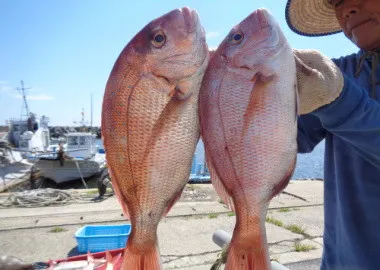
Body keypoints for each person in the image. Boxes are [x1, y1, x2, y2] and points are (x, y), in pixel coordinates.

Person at [285, 0, 380, 269]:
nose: (348, 8)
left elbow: (336, 100)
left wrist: (339, 102)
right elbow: (292, 136)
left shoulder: (337, 83)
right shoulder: (338, 73)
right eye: (337, 2)